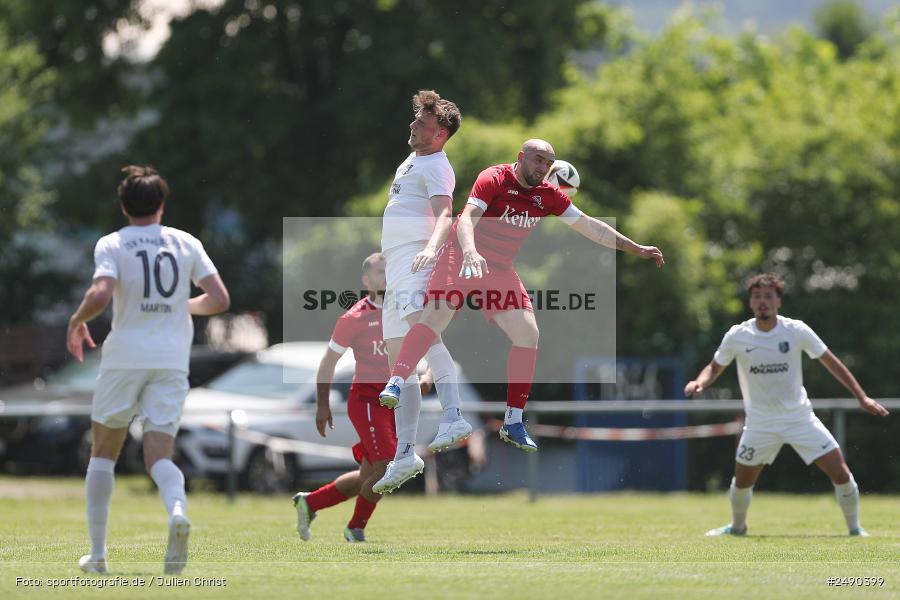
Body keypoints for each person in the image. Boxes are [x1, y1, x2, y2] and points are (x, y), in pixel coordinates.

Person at [374, 139, 665, 492]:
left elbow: (591, 226)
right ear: (521, 157)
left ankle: (513, 420)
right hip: (461, 255)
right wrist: (469, 254)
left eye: (549, 162)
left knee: (528, 333)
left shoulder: (548, 195)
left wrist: (635, 247)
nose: (543, 167)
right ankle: (396, 381)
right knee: (435, 318)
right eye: (538, 159)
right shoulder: (494, 178)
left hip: (497, 268)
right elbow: (465, 220)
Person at [66, 165, 230, 574]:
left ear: (124, 207)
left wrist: (76, 320)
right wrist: (181, 304)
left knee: (103, 453)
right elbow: (219, 298)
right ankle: (176, 511)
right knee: (159, 454)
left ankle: (99, 555)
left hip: (125, 357)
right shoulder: (185, 242)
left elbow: (101, 292)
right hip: (172, 359)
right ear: (161, 205)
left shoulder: (113, 243)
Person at [684, 273, 889, 537]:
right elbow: (714, 367)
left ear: (779, 301)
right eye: (757, 297)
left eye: (768, 296)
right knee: (743, 481)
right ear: (750, 302)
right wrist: (699, 382)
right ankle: (737, 527)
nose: (762, 302)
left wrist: (861, 397)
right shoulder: (738, 335)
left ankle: (855, 530)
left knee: (840, 472)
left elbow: (832, 363)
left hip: (799, 418)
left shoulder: (796, 330)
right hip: (760, 422)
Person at [292, 252, 432, 542]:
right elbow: (328, 362)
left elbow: (430, 345)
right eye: (380, 272)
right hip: (368, 402)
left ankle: (310, 503)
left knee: (366, 476)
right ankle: (355, 528)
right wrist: (321, 405)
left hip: (397, 403)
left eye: (389, 271)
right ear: (366, 280)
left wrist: (427, 375)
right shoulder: (353, 318)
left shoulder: (406, 308)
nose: (386, 277)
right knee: (388, 467)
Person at [375, 90, 473, 493]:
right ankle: (405, 453)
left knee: (424, 337)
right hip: (397, 264)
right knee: (402, 358)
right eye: (415, 120)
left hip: (416, 259)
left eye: (422, 124)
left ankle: (453, 414)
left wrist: (431, 249)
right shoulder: (415, 157)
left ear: (441, 134)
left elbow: (446, 213)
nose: (413, 126)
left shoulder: (437, 165)